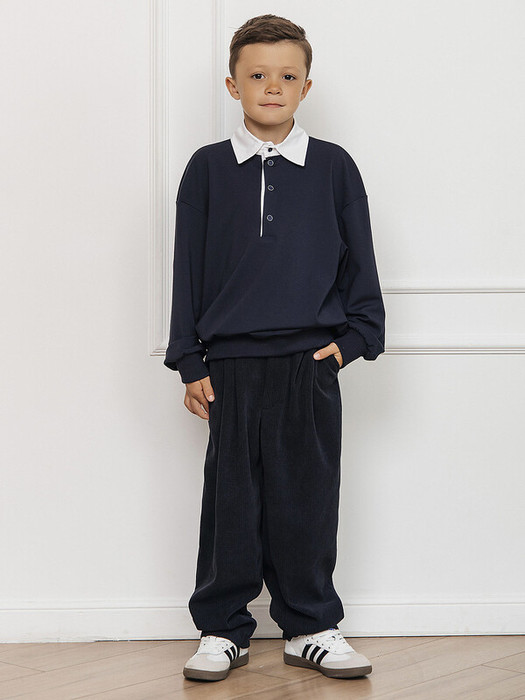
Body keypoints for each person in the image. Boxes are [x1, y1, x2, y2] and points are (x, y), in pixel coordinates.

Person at [164, 13, 385, 683]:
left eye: (287, 76)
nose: (272, 87)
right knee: (231, 503)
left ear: (305, 86)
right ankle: (221, 628)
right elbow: (186, 269)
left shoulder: (333, 167)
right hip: (229, 367)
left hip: (308, 364)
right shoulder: (207, 169)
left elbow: (360, 263)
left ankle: (311, 625)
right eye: (257, 75)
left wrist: (353, 340)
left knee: (306, 500)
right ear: (233, 85)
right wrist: (189, 360)